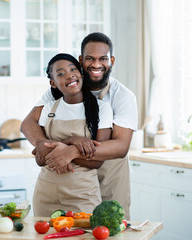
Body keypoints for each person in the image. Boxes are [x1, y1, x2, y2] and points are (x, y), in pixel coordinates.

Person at [21, 32, 138, 219]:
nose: (97, 64)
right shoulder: (66, 86)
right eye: (90, 58)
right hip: (68, 179)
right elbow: (29, 123)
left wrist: (72, 150)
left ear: (112, 60)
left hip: (110, 178)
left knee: (111, 230)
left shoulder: (122, 97)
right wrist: (41, 143)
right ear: (81, 60)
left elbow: (121, 146)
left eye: (103, 59)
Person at [32, 53, 113, 217]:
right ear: (53, 83)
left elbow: (97, 161)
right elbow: (40, 159)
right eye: (60, 73)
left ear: (81, 74)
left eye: (72, 69)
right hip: (46, 194)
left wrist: (64, 152)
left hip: (83, 195)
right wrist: (73, 142)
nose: (69, 75)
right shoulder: (49, 109)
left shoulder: (102, 109)